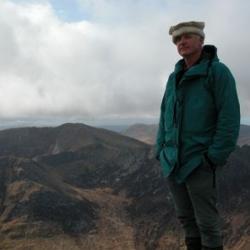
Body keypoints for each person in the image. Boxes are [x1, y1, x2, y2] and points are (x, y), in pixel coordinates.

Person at [155, 21, 240, 250]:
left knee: (207, 223)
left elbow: (229, 117)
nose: (181, 42)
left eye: (187, 37)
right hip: (173, 161)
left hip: (199, 161)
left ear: (201, 40)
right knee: (186, 219)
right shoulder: (174, 77)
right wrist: (160, 150)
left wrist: (213, 157)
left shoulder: (217, 72)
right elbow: (164, 114)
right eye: (177, 40)